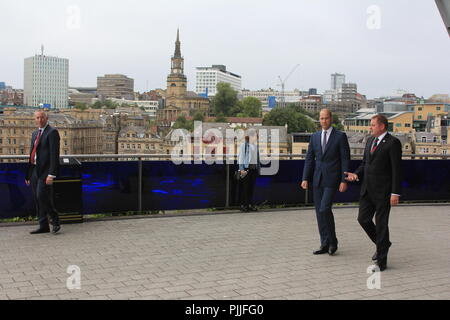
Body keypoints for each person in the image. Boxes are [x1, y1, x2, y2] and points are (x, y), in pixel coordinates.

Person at [345, 114, 402, 271]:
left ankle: (382, 261)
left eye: (373, 125)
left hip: (384, 192)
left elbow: (397, 170)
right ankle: (382, 243)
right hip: (367, 190)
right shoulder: (370, 140)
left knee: (382, 225)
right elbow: (365, 164)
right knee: (363, 219)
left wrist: (395, 193)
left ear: (382, 126)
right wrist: (356, 174)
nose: (370, 127)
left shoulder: (393, 143)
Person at [301, 109, 350, 256]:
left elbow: (345, 159)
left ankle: (333, 241)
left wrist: (344, 180)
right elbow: (309, 159)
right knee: (319, 213)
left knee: (324, 209)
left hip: (333, 179)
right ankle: (324, 243)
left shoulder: (340, 136)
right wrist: (305, 178)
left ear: (331, 118)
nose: (324, 121)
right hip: (317, 179)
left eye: (326, 118)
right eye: (321, 119)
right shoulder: (315, 137)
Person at [25, 110, 61, 234]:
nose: (39, 120)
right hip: (35, 170)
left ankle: (55, 218)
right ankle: (43, 225)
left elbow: (54, 155)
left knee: (42, 196)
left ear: (46, 118)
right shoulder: (35, 133)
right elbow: (32, 154)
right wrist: (28, 174)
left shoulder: (52, 132)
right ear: (34, 119)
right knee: (37, 198)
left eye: (42, 117)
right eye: (37, 118)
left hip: (45, 171)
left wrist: (51, 174)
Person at [238, 129, 260, 212]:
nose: (256, 137)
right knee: (245, 188)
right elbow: (241, 157)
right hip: (246, 169)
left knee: (251, 188)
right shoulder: (244, 145)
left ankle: (250, 205)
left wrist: (258, 169)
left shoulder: (255, 145)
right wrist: (241, 169)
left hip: (253, 169)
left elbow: (257, 158)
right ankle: (244, 205)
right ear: (250, 136)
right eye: (255, 136)